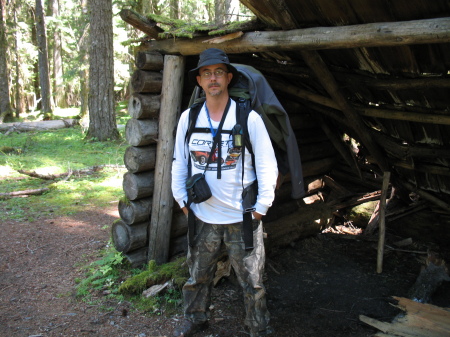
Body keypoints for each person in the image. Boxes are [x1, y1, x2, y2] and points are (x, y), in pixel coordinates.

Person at [171, 48, 278, 337]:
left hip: (242, 218)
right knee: (197, 277)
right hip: (202, 216)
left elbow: (268, 164)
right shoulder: (188, 119)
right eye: (207, 73)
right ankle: (196, 319)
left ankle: (258, 327)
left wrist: (260, 208)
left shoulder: (248, 118)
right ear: (199, 81)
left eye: (219, 72)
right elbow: (179, 163)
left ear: (229, 78)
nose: (213, 78)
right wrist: (182, 201)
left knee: (252, 282)